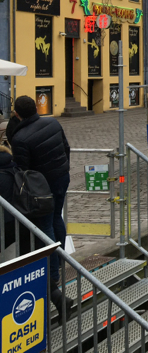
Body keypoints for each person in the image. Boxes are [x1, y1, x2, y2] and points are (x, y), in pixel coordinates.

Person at [10, 95, 73, 316]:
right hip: (61, 178)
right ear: (35, 108)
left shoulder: (19, 137)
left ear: (17, 114)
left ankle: (53, 272)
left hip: (42, 188)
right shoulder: (53, 122)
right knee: (57, 218)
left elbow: (22, 171)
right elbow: (66, 148)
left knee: (46, 225)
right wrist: (63, 169)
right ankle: (61, 260)